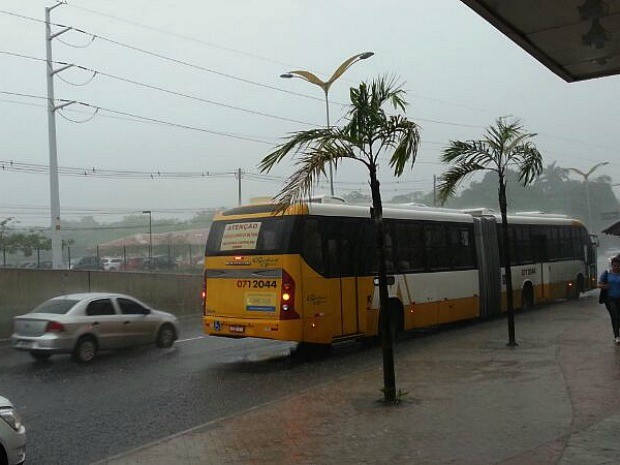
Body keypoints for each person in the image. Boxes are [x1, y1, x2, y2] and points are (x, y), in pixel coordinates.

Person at [598, 255, 620, 344]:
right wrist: (604, 286)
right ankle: (617, 336)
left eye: (618, 265)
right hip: (610, 299)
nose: (616, 267)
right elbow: (599, 284)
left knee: (618, 317)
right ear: (612, 265)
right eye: (615, 265)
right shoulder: (607, 273)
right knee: (614, 315)